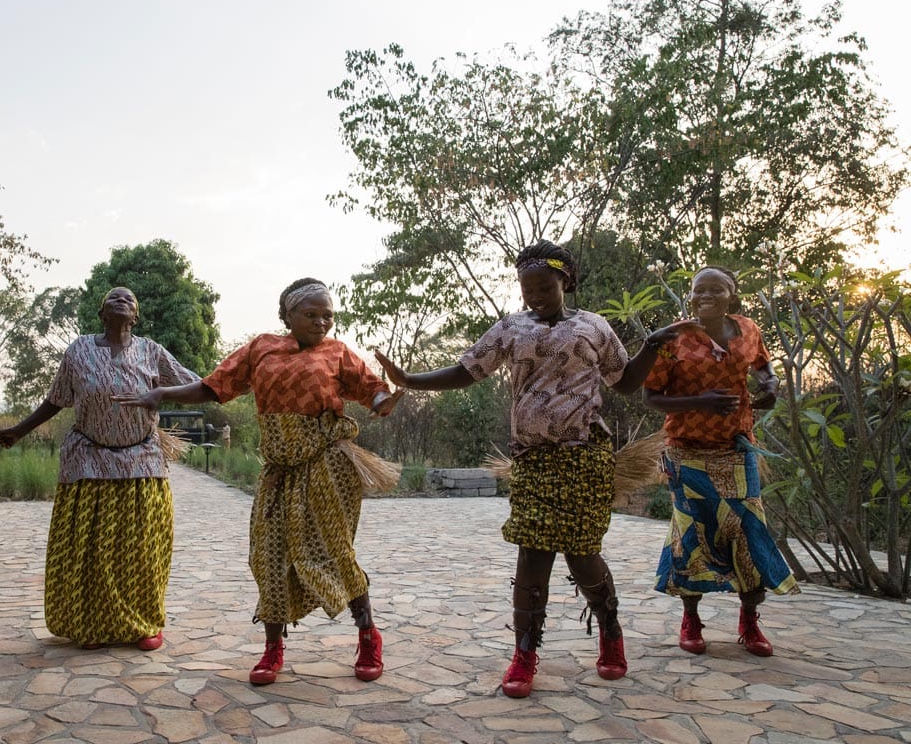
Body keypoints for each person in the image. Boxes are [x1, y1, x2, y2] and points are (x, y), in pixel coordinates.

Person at [374, 241, 685, 699]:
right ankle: (524, 652)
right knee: (532, 555)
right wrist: (410, 380)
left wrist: (652, 346)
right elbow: (467, 370)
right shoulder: (510, 328)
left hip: (584, 457)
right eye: (527, 287)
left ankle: (611, 632)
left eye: (544, 285)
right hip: (533, 460)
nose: (535, 294)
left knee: (582, 554)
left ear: (567, 281)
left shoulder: (593, 326)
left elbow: (626, 382)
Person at [115, 278, 401, 686]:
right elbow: (213, 387)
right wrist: (162, 394)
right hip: (279, 472)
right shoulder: (261, 347)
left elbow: (372, 390)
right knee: (269, 556)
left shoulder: (337, 353)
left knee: (334, 551)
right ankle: (272, 649)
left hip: (327, 466)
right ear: (287, 315)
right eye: (311, 314)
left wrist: (384, 400)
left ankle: (368, 635)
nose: (322, 323)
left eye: (328, 316)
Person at [0, 287, 200, 651]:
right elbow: (56, 399)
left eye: (129, 298)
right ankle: (93, 622)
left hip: (142, 460)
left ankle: (145, 623)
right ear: (101, 312)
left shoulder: (151, 351)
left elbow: (197, 385)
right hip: (88, 457)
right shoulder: (79, 350)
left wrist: (163, 394)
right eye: (113, 297)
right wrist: (19, 430)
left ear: (135, 315)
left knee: (143, 547)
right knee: (90, 549)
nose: (121, 300)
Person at [643, 265, 799, 658]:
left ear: (732, 294)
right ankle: (691, 620)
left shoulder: (747, 329)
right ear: (690, 296)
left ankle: (749, 621)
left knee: (748, 531)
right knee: (692, 533)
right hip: (686, 449)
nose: (706, 296)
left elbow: (763, 364)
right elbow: (649, 397)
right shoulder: (674, 339)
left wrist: (771, 385)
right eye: (699, 291)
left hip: (735, 447)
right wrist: (701, 402)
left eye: (716, 290)